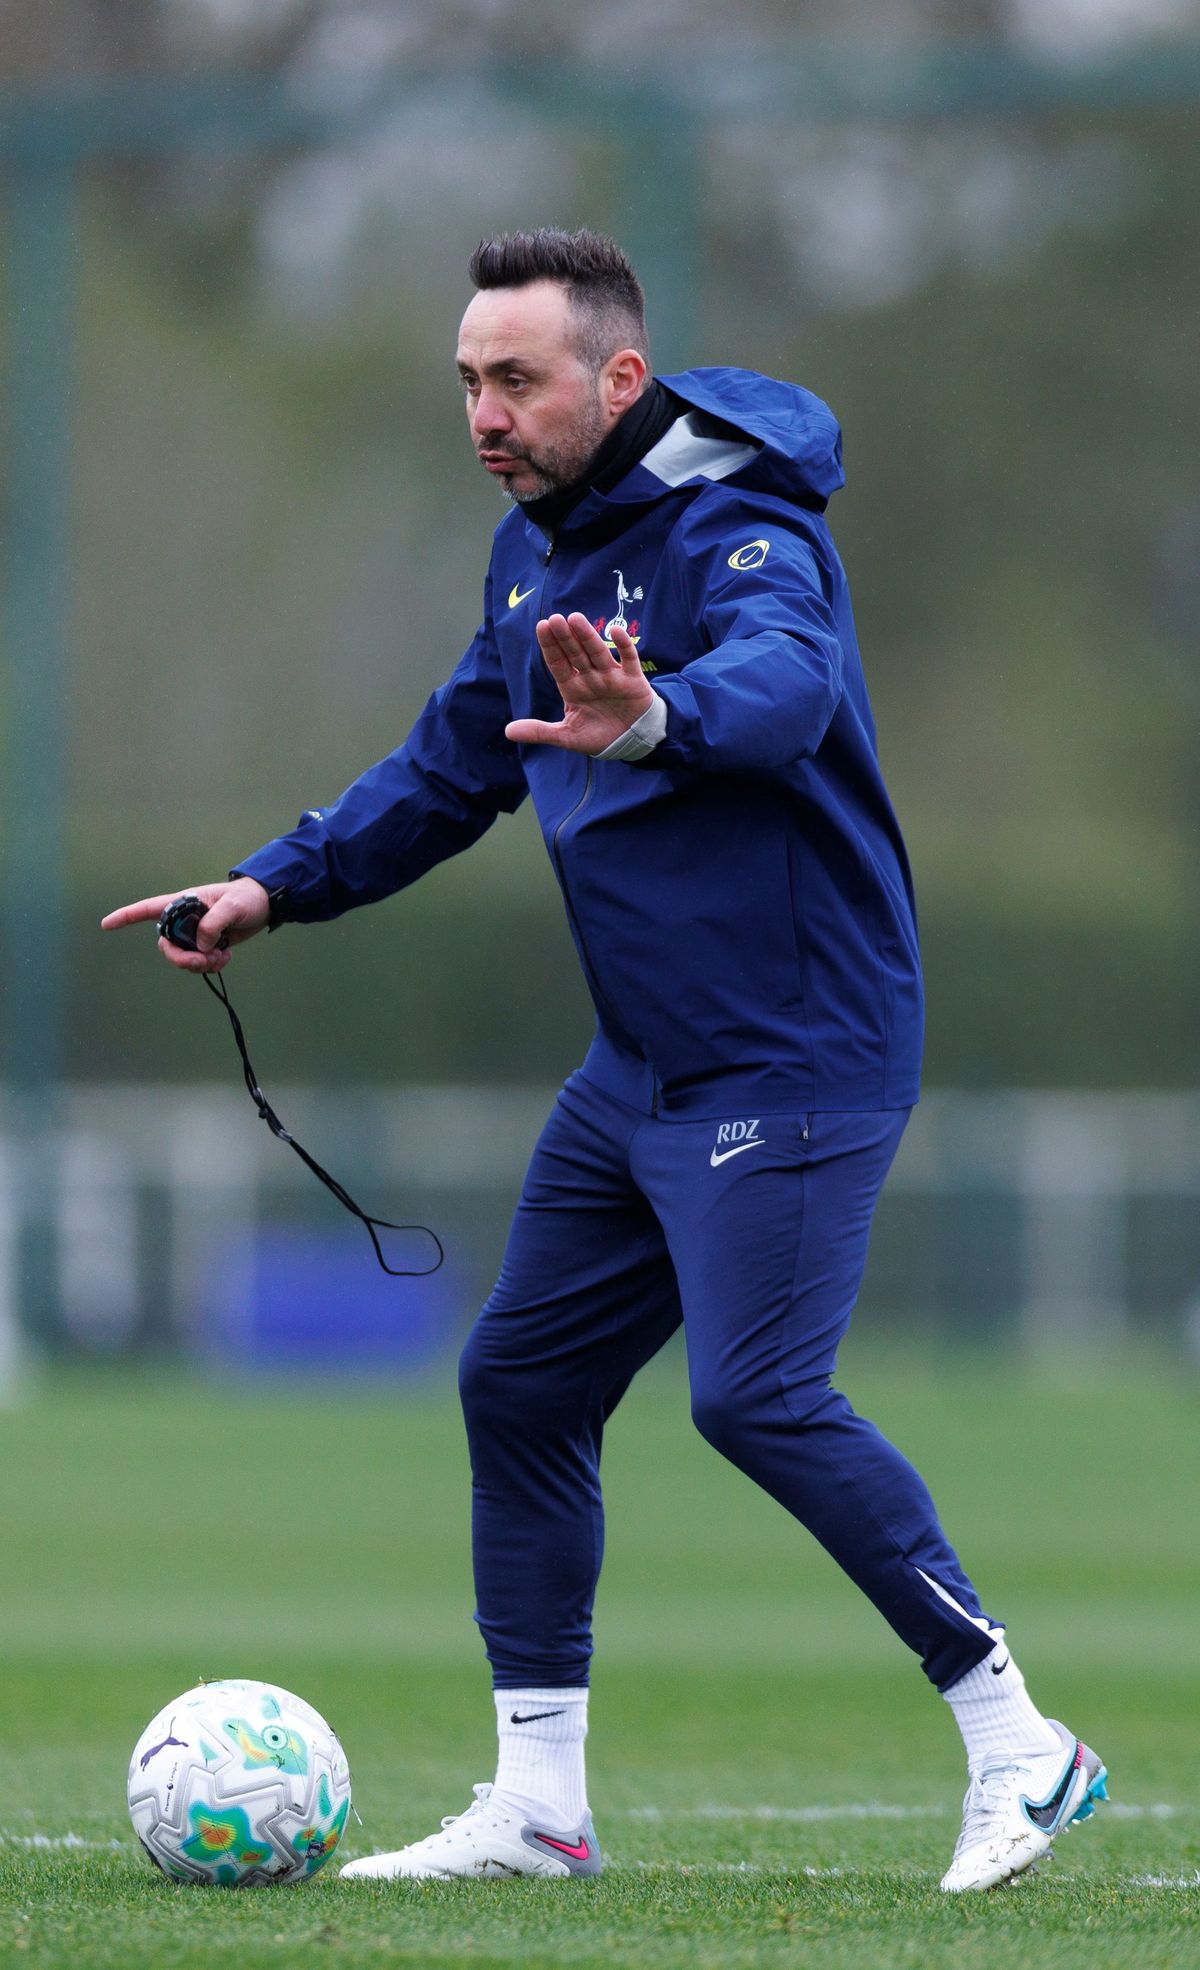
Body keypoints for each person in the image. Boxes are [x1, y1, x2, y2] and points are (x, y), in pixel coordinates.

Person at [102, 227, 1107, 1892]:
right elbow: (449, 761)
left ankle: (1023, 1740)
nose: (484, 411)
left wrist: (652, 720)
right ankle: (541, 1807)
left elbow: (787, 690)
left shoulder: (746, 522)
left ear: (616, 379)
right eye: (468, 382)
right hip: (640, 1071)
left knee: (758, 1399)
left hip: (796, 1054)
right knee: (521, 1384)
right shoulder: (529, 558)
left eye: (516, 378)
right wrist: (271, 882)